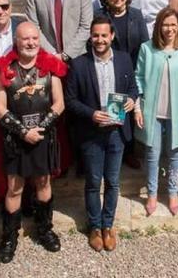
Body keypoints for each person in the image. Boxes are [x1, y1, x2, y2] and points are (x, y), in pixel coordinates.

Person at [0, 22, 67, 262]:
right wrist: (24, 132)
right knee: (15, 187)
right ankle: (10, 237)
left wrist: (39, 129)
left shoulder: (49, 69)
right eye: (26, 39)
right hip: (16, 139)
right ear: (17, 41)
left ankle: (45, 230)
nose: (31, 43)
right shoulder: (5, 70)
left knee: (43, 183)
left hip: (43, 137)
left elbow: (59, 104)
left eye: (35, 38)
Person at [65, 16, 140, 252]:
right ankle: (94, 226)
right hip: (91, 132)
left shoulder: (125, 60)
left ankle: (108, 225)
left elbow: (133, 88)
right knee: (93, 181)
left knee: (113, 181)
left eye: (104, 35)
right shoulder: (79, 64)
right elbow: (70, 100)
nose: (100, 40)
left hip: (117, 132)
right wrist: (91, 114)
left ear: (112, 36)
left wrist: (131, 100)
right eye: (95, 35)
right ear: (91, 37)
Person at [134, 8, 178, 217]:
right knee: (152, 154)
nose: (169, 29)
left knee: (175, 153)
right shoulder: (147, 49)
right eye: (165, 24)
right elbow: (139, 79)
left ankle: (172, 192)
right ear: (158, 26)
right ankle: (152, 193)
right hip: (153, 109)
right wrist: (137, 107)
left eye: (173, 24)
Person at [96, 0, 149, 170]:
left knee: (129, 110)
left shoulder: (136, 15)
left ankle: (129, 151)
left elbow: (144, 43)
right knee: (111, 112)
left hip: (132, 69)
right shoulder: (101, 16)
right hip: (109, 68)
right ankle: (110, 152)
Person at [96, 0, 149, 66]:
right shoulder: (98, 16)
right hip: (106, 67)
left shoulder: (137, 15)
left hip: (134, 68)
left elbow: (145, 45)